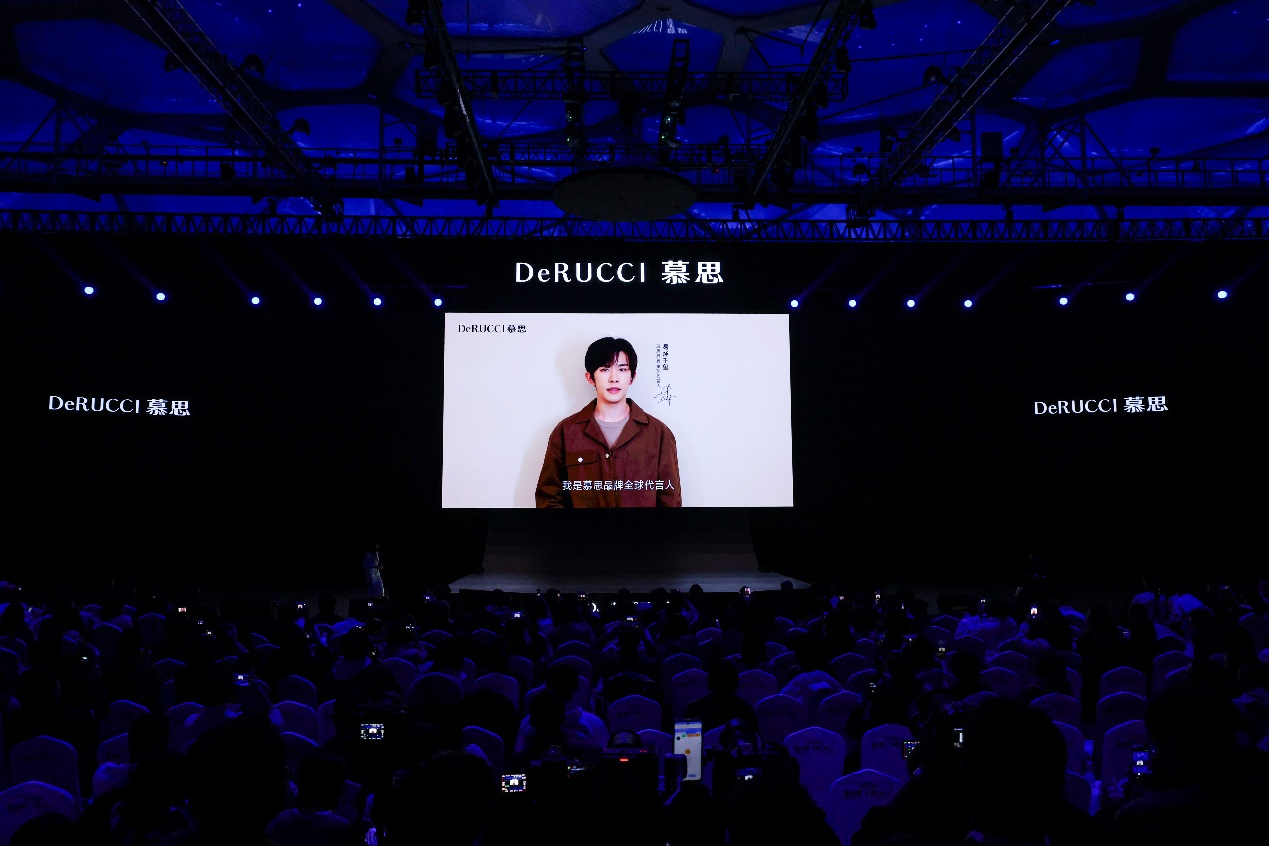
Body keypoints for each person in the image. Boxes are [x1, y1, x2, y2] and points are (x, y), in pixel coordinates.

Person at [535, 337, 682, 508]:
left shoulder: (658, 433)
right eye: (605, 369)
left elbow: (670, 499)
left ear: (632, 377)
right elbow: (549, 496)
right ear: (590, 377)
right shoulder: (566, 432)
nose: (614, 378)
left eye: (622, 369)